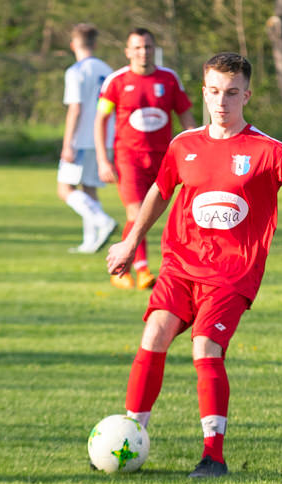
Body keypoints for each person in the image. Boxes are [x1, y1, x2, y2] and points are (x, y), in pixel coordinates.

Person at [105, 52, 282, 478]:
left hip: (233, 273)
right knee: (154, 331)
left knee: (205, 347)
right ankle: (130, 435)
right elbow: (160, 193)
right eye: (214, 92)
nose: (222, 102)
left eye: (232, 93)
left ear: (246, 96)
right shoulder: (184, 145)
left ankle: (213, 455)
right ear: (204, 92)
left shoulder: (267, 150)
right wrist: (130, 242)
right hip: (181, 264)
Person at [96, 28, 198, 290]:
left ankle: (121, 268)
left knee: (153, 213)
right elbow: (101, 119)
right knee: (136, 211)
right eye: (138, 48)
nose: (143, 52)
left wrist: (195, 150)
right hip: (128, 158)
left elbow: (185, 115)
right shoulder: (116, 81)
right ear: (128, 51)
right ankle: (142, 269)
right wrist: (102, 159)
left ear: (155, 49)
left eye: (148, 47)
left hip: (164, 159)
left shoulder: (169, 79)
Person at [56, 23, 117, 254]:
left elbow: (75, 109)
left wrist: (67, 144)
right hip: (103, 138)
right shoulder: (107, 69)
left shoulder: (76, 71)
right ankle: (90, 242)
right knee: (89, 189)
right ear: (96, 44)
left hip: (81, 139)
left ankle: (103, 222)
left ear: (73, 45)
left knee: (65, 189)